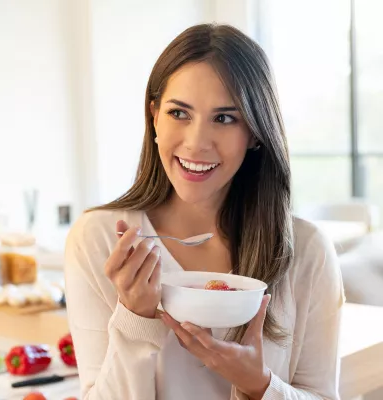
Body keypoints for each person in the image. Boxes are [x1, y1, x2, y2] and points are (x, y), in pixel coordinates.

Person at [64, 24, 345, 400]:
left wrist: (259, 385)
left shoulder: (306, 250)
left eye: (225, 118)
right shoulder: (100, 239)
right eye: (179, 113)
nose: (196, 143)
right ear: (154, 117)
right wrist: (133, 319)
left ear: (256, 133)